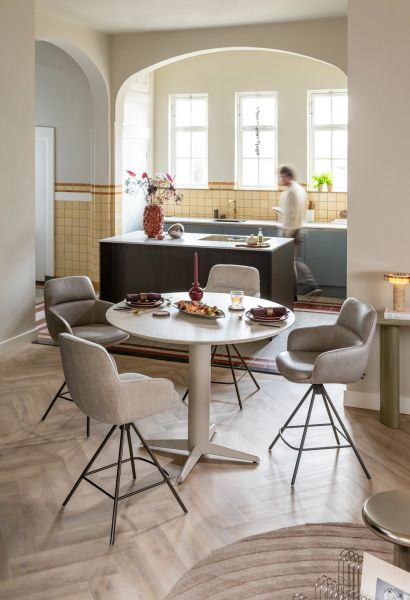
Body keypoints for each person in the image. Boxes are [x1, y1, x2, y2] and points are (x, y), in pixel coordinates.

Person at [277, 165, 322, 298]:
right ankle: (296, 290)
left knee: (292, 262)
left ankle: (308, 285)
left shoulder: (292, 191)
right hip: (297, 229)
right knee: (293, 261)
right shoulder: (298, 189)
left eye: (282, 176)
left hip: (293, 230)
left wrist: (287, 233)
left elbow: (293, 214)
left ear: (288, 176)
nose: (280, 179)